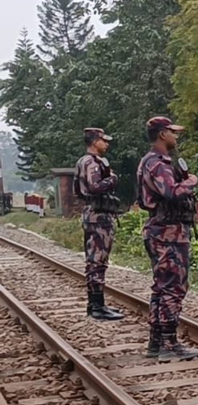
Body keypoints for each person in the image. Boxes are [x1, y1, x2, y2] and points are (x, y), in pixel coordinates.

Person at [137, 116, 198, 361]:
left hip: (162, 230)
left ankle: (156, 341)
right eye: (173, 132)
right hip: (168, 233)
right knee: (173, 288)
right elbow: (171, 192)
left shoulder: (151, 161)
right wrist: (190, 182)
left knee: (161, 288)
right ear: (162, 134)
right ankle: (168, 343)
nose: (177, 136)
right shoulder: (158, 163)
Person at [74, 128, 124, 321]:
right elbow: (95, 187)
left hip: (95, 214)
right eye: (104, 140)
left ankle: (97, 304)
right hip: (99, 216)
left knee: (97, 260)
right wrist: (112, 179)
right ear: (95, 141)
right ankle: (96, 306)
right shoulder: (91, 163)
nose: (107, 144)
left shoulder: (83, 162)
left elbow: (79, 190)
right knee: (97, 260)